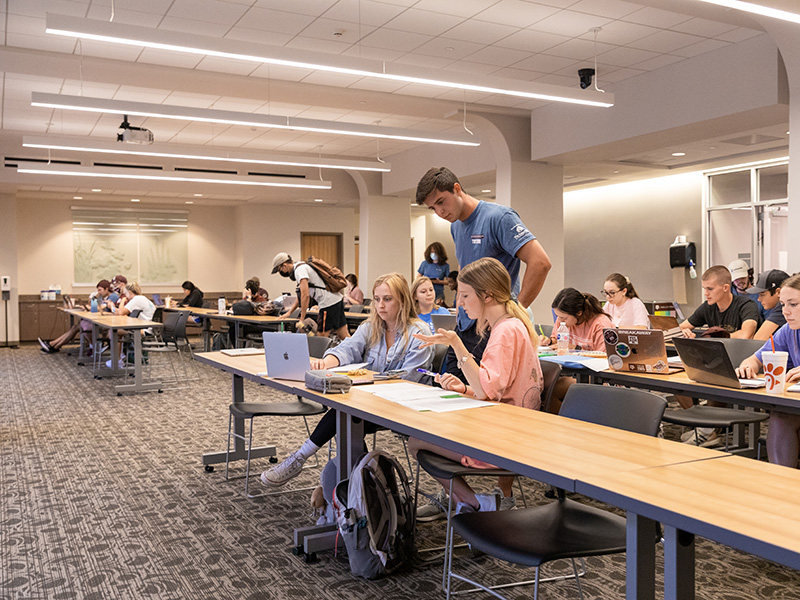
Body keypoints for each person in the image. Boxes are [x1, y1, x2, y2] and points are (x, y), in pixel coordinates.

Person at [260, 272, 433, 486]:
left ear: (403, 300)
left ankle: (306, 460)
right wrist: (327, 362)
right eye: (377, 299)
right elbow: (347, 348)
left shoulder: (419, 332)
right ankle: (361, 483)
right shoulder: (371, 327)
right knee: (346, 415)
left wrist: (366, 382)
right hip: (372, 402)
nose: (380, 305)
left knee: (345, 415)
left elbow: (409, 379)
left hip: (405, 407)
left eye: (387, 299)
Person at [408, 257, 543, 516]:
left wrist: (457, 344)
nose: (459, 303)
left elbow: (486, 391)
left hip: (500, 442)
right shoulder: (510, 326)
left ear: (488, 296)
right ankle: (469, 502)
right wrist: (464, 388)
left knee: (416, 441)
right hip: (511, 430)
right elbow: (494, 389)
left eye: (465, 295)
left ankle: (476, 504)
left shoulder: (504, 333)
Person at [416, 167, 551, 311]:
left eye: (441, 202)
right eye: (433, 208)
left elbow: (540, 262)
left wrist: (516, 312)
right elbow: (463, 271)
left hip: (495, 319)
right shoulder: (455, 226)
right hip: (468, 322)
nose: (439, 212)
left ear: (456, 189)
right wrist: (459, 312)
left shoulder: (498, 217)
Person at [737, 274, 800, 467]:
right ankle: (781, 485)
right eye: (782, 304)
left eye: (793, 304)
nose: (786, 311)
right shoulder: (789, 330)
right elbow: (755, 359)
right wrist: (748, 366)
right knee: (781, 414)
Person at [542, 288, 614, 412]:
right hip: (574, 373)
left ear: (579, 313)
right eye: (557, 317)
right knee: (546, 387)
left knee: (553, 388)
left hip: (597, 378)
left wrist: (577, 348)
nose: (559, 321)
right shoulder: (563, 322)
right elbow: (556, 339)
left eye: (563, 318)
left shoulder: (600, 324)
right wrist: (548, 341)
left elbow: (605, 359)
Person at [271, 252, 349, 340]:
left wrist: (302, 319)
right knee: (343, 335)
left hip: (328, 304)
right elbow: (301, 296)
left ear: (284, 266)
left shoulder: (299, 270)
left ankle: (322, 354)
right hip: (336, 300)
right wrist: (289, 312)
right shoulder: (302, 266)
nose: (281, 272)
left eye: (279, 270)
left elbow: (305, 295)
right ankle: (358, 352)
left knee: (321, 338)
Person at [679, 266, 760, 340]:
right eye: (704, 288)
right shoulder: (707, 307)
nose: (705, 293)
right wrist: (685, 332)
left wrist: (720, 336)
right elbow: (682, 327)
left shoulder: (747, 305)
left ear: (725, 288)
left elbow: (746, 335)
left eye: (710, 289)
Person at [38, 279, 118, 353]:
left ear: (106, 289)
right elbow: (93, 305)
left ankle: (53, 345)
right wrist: (96, 296)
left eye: (100, 290)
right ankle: (54, 344)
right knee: (75, 327)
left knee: (77, 327)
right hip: (100, 320)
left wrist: (89, 307)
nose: (99, 292)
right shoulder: (104, 296)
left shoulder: (113, 296)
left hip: (106, 323)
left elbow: (100, 308)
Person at [107, 282, 156, 368]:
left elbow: (120, 313)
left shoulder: (136, 300)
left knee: (114, 331)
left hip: (144, 330)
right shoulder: (143, 298)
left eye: (125, 294)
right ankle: (120, 357)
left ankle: (117, 361)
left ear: (129, 292)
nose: (125, 296)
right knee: (117, 331)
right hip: (150, 329)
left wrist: (112, 306)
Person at [749, 269, 790, 340]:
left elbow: (759, 339)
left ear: (778, 292)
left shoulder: (783, 308)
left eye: (762, 294)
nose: (759, 299)